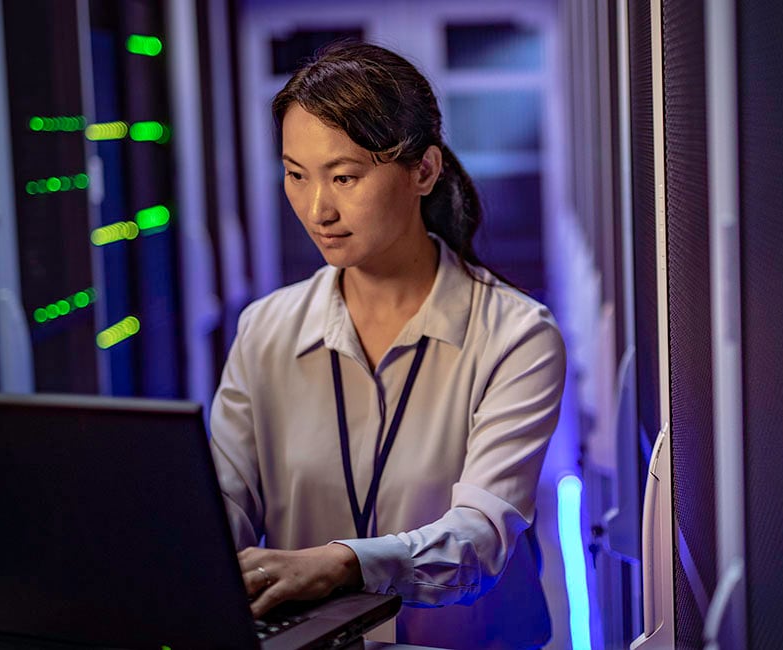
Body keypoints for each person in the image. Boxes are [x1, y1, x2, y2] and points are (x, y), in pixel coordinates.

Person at [208, 41, 566, 649]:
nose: (318, 208)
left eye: (344, 177)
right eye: (296, 175)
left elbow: (478, 540)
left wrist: (343, 561)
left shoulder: (517, 336)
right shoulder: (265, 329)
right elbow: (222, 504)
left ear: (423, 171)